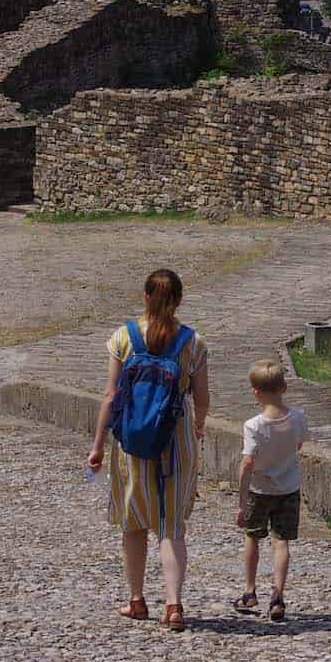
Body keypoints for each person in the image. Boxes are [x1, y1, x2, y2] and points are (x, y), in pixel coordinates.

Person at [88, 269, 209, 632]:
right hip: (176, 442)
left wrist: (97, 446)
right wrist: (197, 430)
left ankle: (137, 599)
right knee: (171, 527)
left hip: (130, 444)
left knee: (134, 524)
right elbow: (201, 401)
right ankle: (173, 606)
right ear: (179, 301)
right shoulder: (193, 343)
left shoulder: (123, 338)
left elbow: (110, 396)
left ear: (144, 297)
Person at [233, 360, 308, 623]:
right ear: (284, 388)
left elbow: (247, 463)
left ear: (255, 392)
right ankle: (277, 596)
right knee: (281, 542)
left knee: (252, 537)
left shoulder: (254, 426)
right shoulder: (298, 418)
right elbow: (298, 445)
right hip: (288, 488)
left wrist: (241, 503)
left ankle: (250, 591)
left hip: (259, 489)